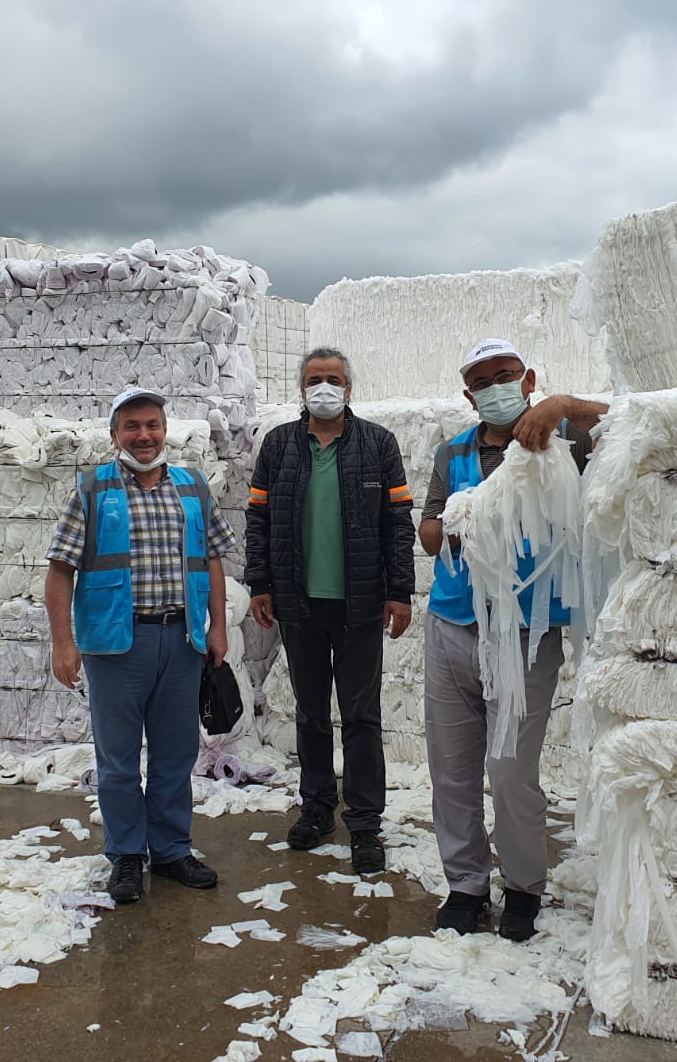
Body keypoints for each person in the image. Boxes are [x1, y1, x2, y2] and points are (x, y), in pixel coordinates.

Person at [419, 338, 608, 941]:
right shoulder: (453, 453)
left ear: (526, 378)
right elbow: (426, 531)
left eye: (506, 376)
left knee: (509, 771)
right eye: (482, 381)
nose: (495, 388)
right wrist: (452, 521)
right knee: (451, 770)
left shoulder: (563, 442)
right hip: (452, 625)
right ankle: (465, 885)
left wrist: (560, 404)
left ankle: (524, 885)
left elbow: (629, 423)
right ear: (468, 394)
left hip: (526, 635)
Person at [44, 387, 235, 904]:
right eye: (132, 426)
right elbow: (60, 570)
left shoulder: (191, 487)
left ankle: (171, 849)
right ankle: (127, 855)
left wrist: (217, 628)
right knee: (119, 759)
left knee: (176, 754)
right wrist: (64, 643)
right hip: (115, 646)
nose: (144, 436)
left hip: (180, 639)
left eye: (152, 425)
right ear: (114, 435)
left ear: (164, 429)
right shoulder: (92, 489)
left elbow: (213, 559)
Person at [246, 347, 415, 875]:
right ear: (302, 389)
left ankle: (364, 823)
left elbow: (397, 523)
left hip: (360, 603)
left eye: (334, 379)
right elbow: (258, 520)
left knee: (361, 716)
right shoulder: (278, 446)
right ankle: (317, 808)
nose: (325, 387)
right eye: (315, 379)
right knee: (311, 712)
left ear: (349, 389)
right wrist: (259, 583)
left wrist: (400, 591)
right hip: (299, 603)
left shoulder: (377, 444)